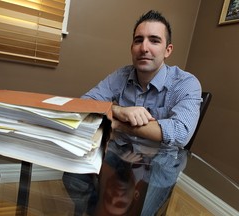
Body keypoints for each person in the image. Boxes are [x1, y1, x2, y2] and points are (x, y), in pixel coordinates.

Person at [81, 10, 202, 215]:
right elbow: (84, 104)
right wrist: (119, 110)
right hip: (119, 154)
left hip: (159, 164)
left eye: (154, 40)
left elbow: (181, 132)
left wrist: (119, 124)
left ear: (167, 50)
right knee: (75, 178)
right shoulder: (120, 76)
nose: (144, 48)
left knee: (139, 211)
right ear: (132, 47)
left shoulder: (186, 83)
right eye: (139, 40)